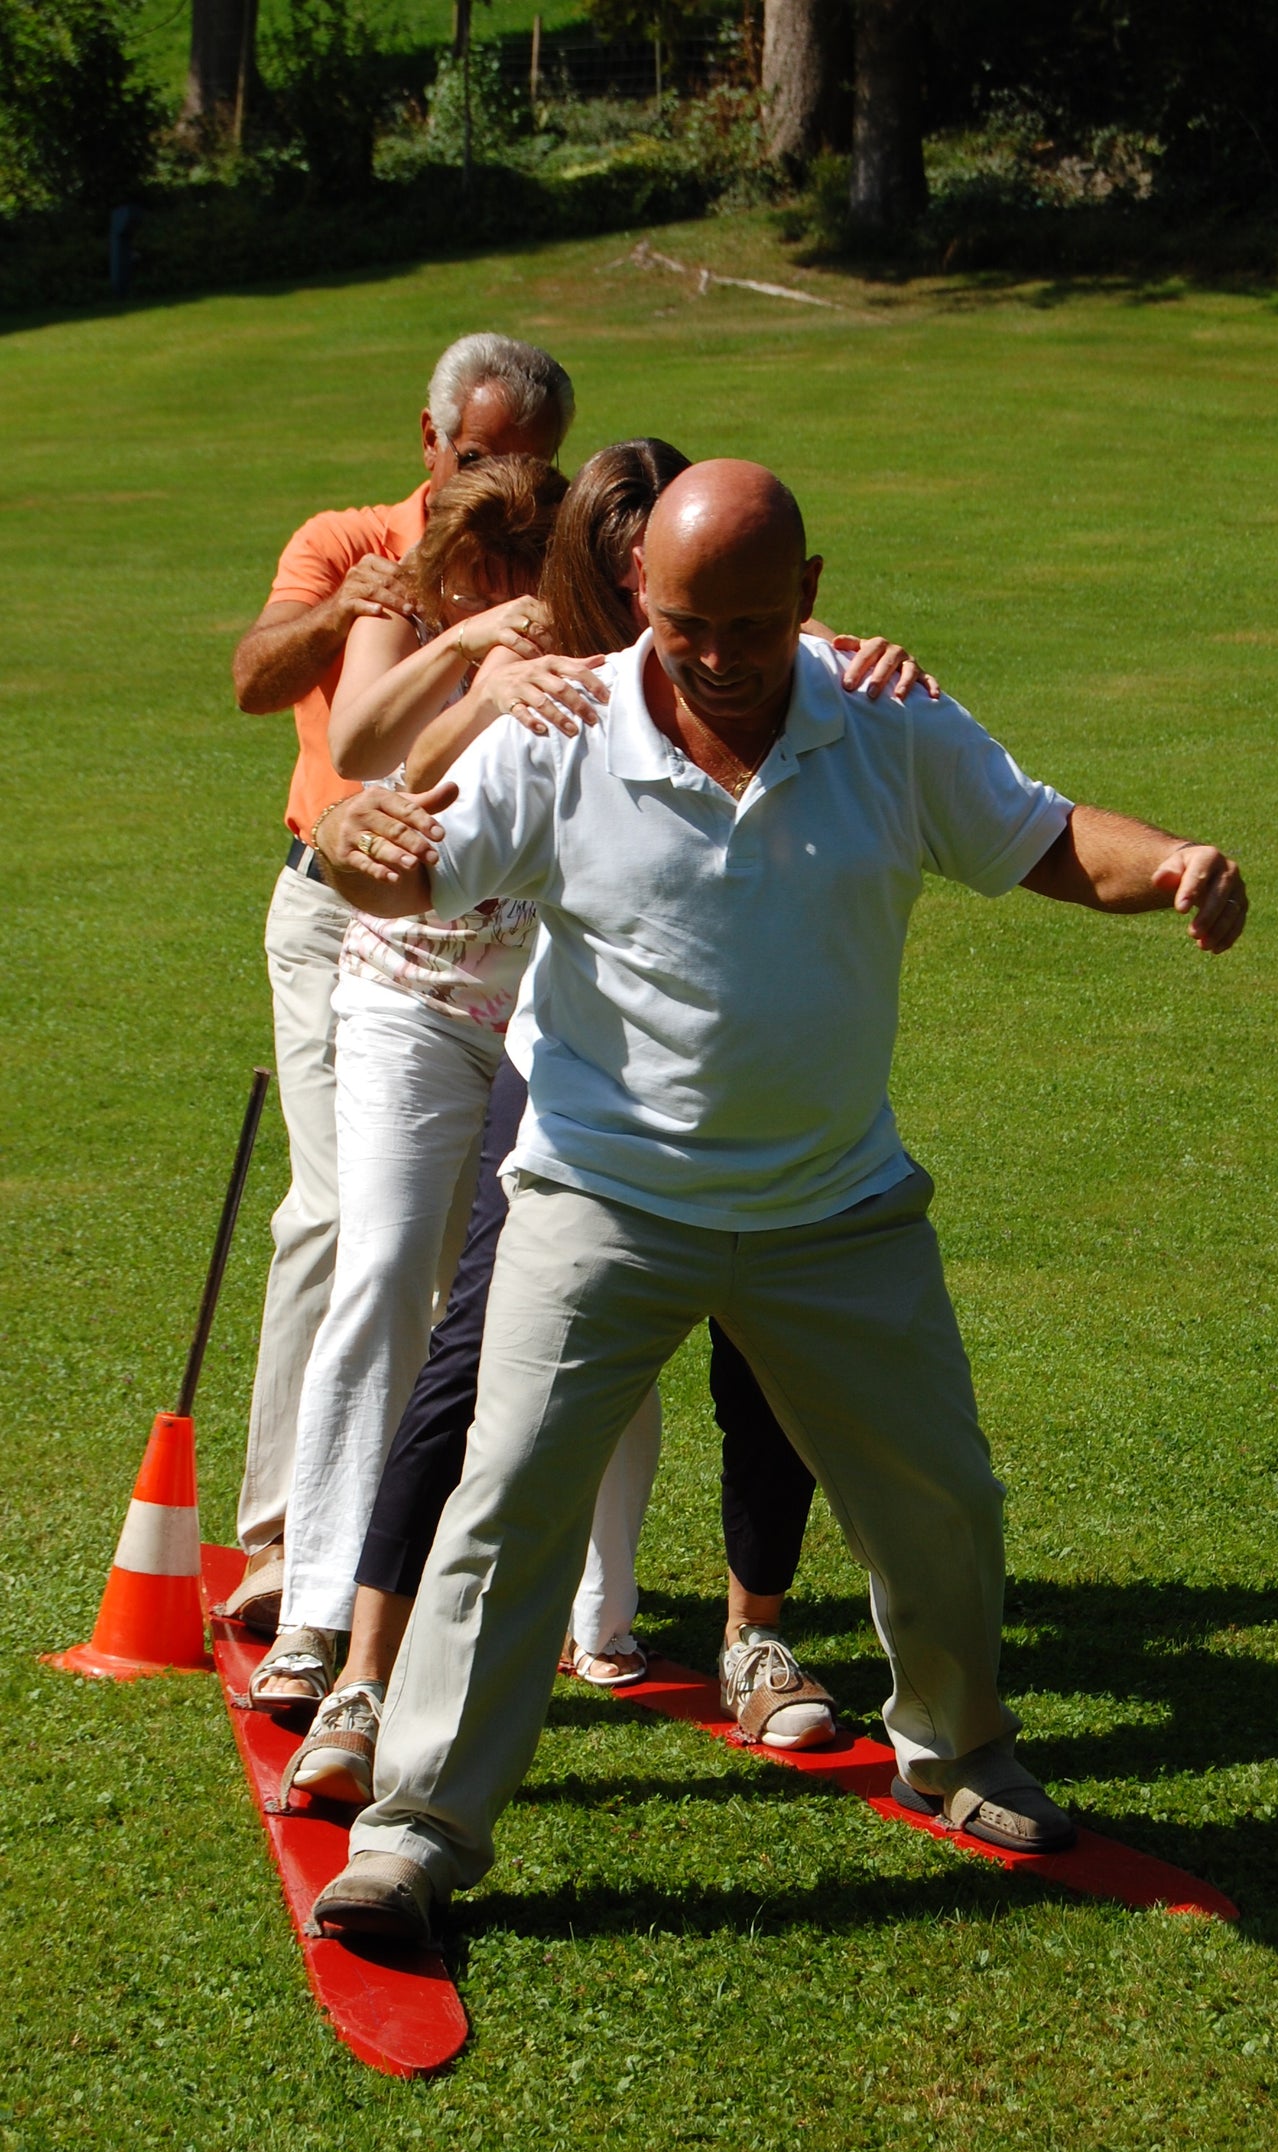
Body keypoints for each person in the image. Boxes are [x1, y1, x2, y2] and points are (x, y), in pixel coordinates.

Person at [302, 457, 1248, 1941]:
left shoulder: (889, 720)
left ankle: (956, 1747)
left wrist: (1174, 863)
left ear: (809, 596)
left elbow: (1045, 837)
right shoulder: (559, 724)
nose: (723, 659)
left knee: (940, 1499)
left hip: (832, 1207)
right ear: (637, 600)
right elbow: (406, 867)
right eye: (686, 627)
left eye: (752, 624)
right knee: (504, 1510)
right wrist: (363, 839)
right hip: (598, 1194)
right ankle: (413, 1830)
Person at [278, 439, 932, 1803]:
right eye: (667, 600)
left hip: (669, 1060)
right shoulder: (541, 666)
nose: (699, 640)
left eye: (729, 611)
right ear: (617, 575)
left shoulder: (744, 663)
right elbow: (360, 783)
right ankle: (352, 1653)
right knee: (449, 1326)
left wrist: (863, 662)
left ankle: (705, 1632)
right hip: (483, 1017)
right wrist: (479, 690)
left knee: (742, 1352)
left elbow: (807, 680)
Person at [220, 335, 575, 1634]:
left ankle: (403, 1539)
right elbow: (256, 680)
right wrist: (356, 606)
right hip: (335, 913)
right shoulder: (348, 538)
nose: (502, 477)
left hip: (491, 928)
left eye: (529, 459)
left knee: (466, 1252)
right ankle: (281, 1538)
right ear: (428, 440)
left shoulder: (548, 556)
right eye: (479, 454)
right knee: (337, 1217)